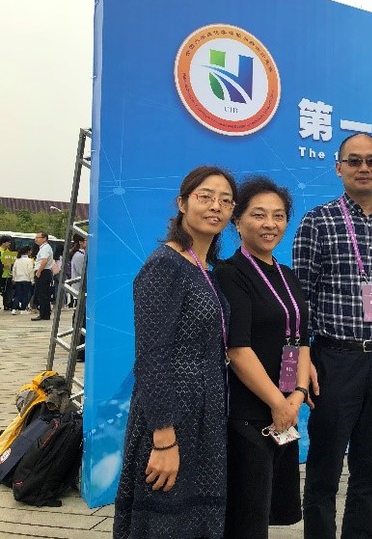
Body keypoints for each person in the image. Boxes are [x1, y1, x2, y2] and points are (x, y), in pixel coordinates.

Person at [293, 132, 372, 539]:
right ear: (339, 168)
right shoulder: (318, 221)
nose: (364, 168)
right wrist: (302, 363)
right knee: (324, 467)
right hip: (335, 360)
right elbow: (301, 300)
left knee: (370, 467)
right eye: (355, 160)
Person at [114, 165, 237, 539]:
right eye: (205, 197)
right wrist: (164, 439)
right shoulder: (164, 266)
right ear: (182, 203)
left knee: (196, 521)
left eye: (226, 200)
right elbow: (151, 358)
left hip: (205, 416)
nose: (215, 206)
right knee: (164, 522)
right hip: (172, 417)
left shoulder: (202, 267)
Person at [215, 176, 311, 539]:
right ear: (237, 221)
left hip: (284, 411)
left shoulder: (287, 275)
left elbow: (301, 339)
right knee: (245, 519)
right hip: (248, 414)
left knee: (267, 511)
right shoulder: (229, 274)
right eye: (258, 215)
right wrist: (279, 403)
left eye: (278, 215)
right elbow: (237, 349)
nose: (270, 224)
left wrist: (298, 394)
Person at [31, 231, 54, 321]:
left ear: (44, 238)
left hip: (43, 272)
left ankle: (44, 314)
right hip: (44, 271)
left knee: (42, 294)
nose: (36, 239)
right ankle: (45, 313)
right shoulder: (43, 248)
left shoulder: (45, 248)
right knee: (43, 294)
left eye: (38, 237)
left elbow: (44, 260)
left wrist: (39, 271)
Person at [11, 246, 35, 315]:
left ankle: (14, 309)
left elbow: (14, 270)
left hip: (18, 279)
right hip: (26, 279)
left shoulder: (17, 260)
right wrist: (32, 280)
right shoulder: (29, 260)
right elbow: (30, 270)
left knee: (17, 295)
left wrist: (14, 278)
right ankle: (23, 309)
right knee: (25, 295)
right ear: (28, 252)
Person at [0, 235, 13, 311]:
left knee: (8, 290)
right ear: (3, 243)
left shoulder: (9, 252)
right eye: (8, 242)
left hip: (8, 274)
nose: (9, 244)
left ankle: (7, 305)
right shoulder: (0, 251)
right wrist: (4, 265)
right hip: (1, 273)